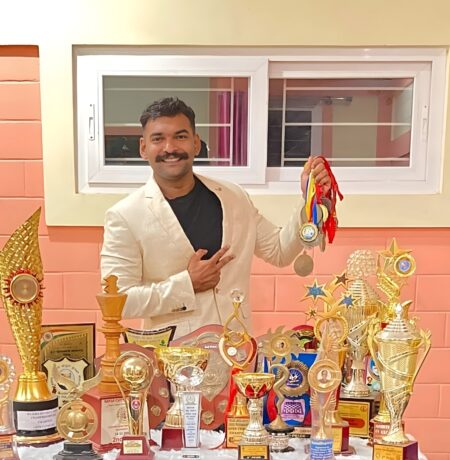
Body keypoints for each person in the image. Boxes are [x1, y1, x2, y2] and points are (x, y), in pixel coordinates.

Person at [101, 97, 331, 338]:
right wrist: (187, 284)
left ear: (196, 143)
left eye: (180, 136)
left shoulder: (233, 196)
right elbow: (118, 302)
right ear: (143, 148)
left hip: (238, 350)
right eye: (158, 139)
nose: (170, 148)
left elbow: (279, 251)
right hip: (172, 354)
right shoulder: (125, 215)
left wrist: (308, 198)